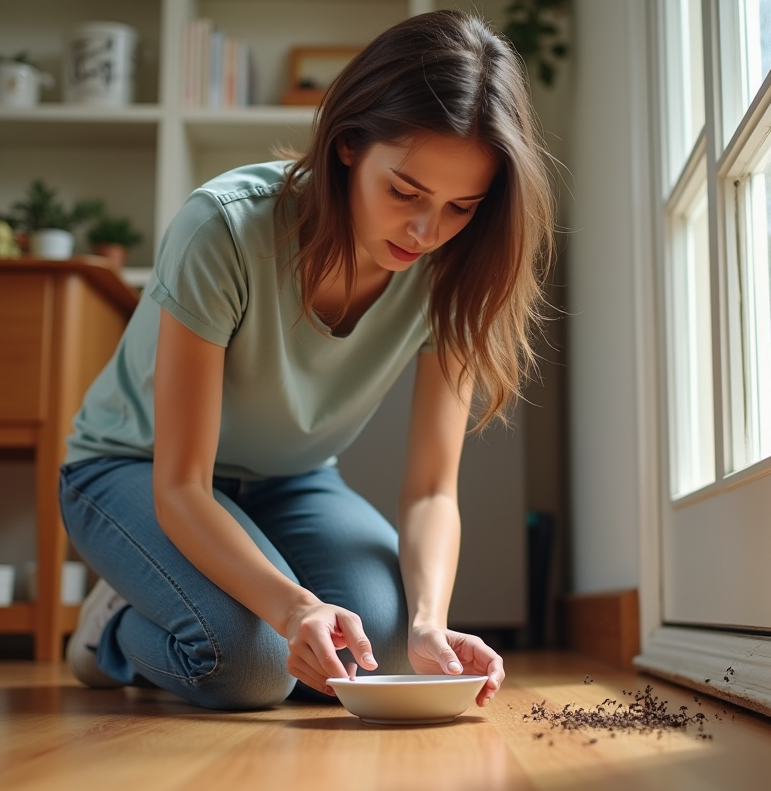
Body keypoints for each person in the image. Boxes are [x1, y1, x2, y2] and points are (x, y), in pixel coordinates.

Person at [58, 8, 555, 711]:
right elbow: (182, 489)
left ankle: (222, 600)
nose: (425, 231)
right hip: (130, 469)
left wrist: (427, 623)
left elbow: (431, 493)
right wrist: (292, 610)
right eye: (405, 192)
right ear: (349, 144)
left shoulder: (455, 271)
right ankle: (111, 630)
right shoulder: (225, 228)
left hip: (292, 482)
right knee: (250, 665)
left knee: (369, 651)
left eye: (460, 206)